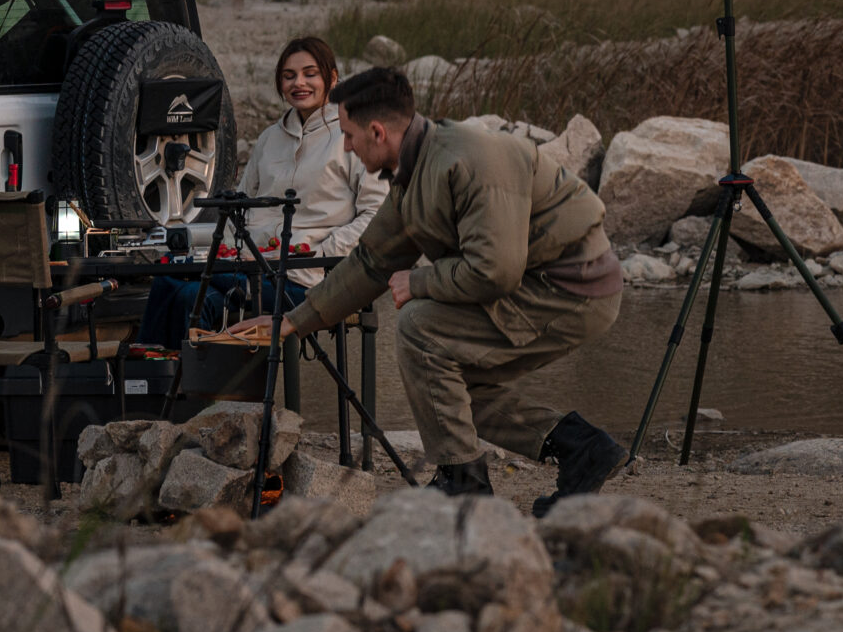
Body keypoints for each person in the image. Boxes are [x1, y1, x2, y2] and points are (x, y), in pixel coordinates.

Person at [230, 65, 627, 513]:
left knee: (420, 327)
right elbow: (371, 261)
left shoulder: (469, 159)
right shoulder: (415, 169)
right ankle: (582, 449)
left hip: (573, 289)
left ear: (377, 132)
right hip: (538, 285)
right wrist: (292, 322)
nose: (345, 145)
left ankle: (463, 482)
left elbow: (495, 271)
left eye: (348, 134)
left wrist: (418, 281)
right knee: (446, 394)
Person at [136, 36, 385, 346]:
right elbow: (237, 210)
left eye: (311, 74)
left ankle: (172, 388)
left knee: (189, 292)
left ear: (332, 78)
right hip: (250, 271)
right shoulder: (270, 138)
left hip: (308, 280)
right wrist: (223, 253)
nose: (299, 83)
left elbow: (377, 215)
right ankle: (152, 381)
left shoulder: (350, 135)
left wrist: (324, 253)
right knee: (175, 285)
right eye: (289, 75)